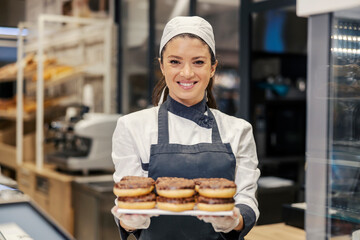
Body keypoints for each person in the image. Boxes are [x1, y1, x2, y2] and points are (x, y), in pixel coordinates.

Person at [111, 16, 260, 240]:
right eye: (175, 62)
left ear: (213, 68)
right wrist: (130, 220)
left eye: (198, 62)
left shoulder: (239, 130)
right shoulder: (132, 127)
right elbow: (129, 200)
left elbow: (247, 198)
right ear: (162, 66)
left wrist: (235, 220)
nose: (187, 73)